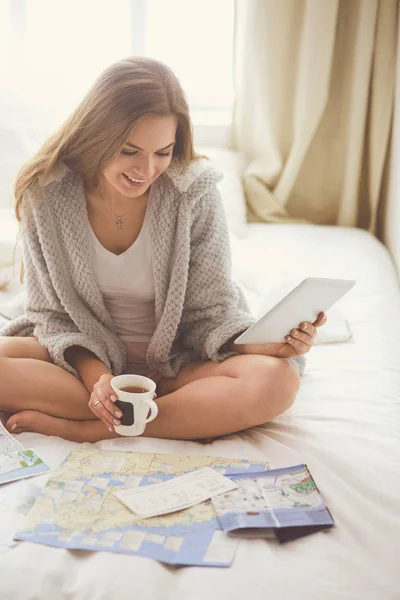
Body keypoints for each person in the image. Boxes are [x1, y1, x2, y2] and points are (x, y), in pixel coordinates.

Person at [0, 57, 326, 443]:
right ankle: (154, 411)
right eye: (129, 151)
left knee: (276, 380)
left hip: (178, 365)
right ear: (96, 135)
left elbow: (211, 312)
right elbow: (53, 319)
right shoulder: (47, 194)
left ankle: (90, 430)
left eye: (163, 152)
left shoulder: (194, 194)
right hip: (82, 369)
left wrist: (263, 343)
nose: (147, 169)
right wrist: (100, 380)